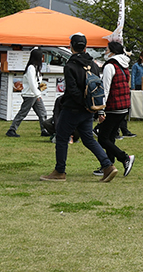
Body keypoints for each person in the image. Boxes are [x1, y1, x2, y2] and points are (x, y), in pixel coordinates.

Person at [40, 33, 118, 182]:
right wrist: (92, 108)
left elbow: (73, 91)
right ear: (85, 47)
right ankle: (108, 165)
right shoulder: (94, 65)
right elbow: (98, 88)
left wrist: (82, 104)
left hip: (72, 109)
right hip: (89, 109)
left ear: (71, 46)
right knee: (88, 139)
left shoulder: (70, 66)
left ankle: (59, 171)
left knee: (62, 138)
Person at [93, 41, 136, 178]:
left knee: (102, 138)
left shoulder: (110, 66)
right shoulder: (124, 65)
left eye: (106, 49)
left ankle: (124, 157)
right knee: (110, 137)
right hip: (124, 106)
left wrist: (101, 109)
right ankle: (108, 165)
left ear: (112, 51)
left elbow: (105, 89)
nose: (105, 52)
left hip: (113, 106)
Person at [6, 48, 48, 137]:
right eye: (41, 57)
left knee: (42, 113)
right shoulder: (31, 68)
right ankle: (12, 129)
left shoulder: (35, 67)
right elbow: (32, 83)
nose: (42, 59)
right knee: (23, 113)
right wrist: (38, 94)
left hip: (34, 94)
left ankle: (44, 130)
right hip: (30, 95)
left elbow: (35, 82)